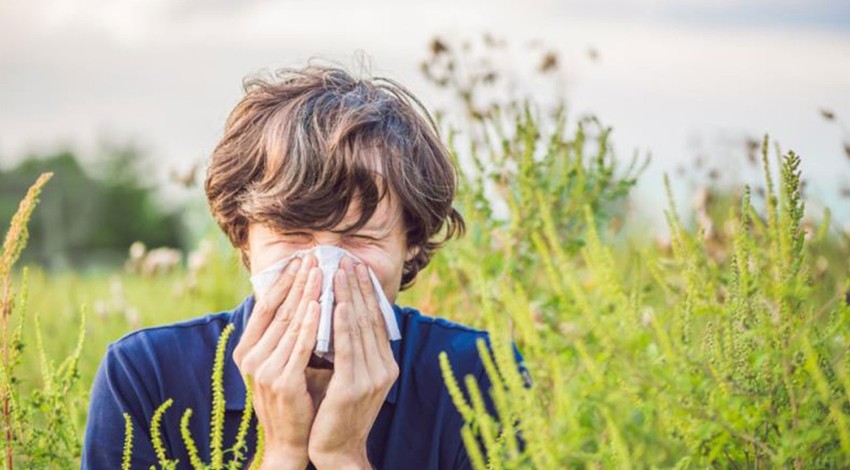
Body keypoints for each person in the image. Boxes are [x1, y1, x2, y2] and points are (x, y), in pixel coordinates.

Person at [82, 63, 527, 469]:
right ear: (244, 236)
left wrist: (343, 456)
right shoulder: (147, 376)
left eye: (360, 238)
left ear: (410, 244)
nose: (325, 269)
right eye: (293, 235)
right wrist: (282, 453)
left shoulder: (481, 376)